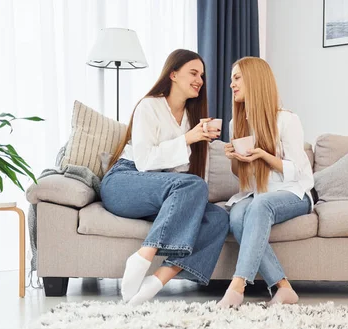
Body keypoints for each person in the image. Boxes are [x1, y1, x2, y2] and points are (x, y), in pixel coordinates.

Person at [101, 49, 229, 306]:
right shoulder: (149, 106)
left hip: (161, 193)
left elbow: (184, 179)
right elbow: (145, 161)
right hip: (125, 182)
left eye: (202, 75)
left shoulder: (192, 119)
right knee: (193, 184)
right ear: (173, 74)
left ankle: (157, 280)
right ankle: (142, 257)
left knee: (218, 217)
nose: (199, 80)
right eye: (193, 73)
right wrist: (189, 139)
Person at [218, 57, 314, 308]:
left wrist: (265, 156)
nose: (231, 85)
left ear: (255, 80)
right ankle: (283, 288)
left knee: (260, 206)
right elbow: (243, 177)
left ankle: (236, 287)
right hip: (256, 193)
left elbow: (298, 171)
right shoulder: (235, 124)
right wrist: (234, 159)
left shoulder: (286, 120)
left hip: (294, 192)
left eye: (237, 78)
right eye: (232, 79)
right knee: (237, 216)